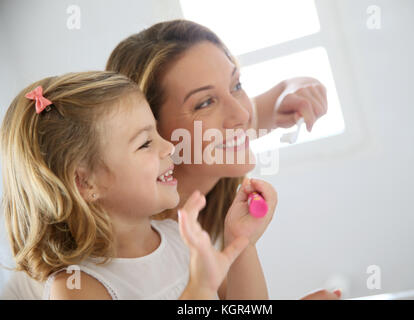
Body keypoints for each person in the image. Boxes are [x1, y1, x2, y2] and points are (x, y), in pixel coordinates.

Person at [106, 19, 339, 299]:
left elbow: (283, 94)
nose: (241, 114)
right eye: (205, 103)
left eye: (236, 84)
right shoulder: (134, 246)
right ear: (151, 129)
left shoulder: (215, 150)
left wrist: (298, 91)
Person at [0, 71, 277, 299]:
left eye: (156, 132)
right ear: (84, 182)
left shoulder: (178, 238)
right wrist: (200, 290)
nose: (168, 145)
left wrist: (241, 243)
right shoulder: (77, 287)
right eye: (145, 142)